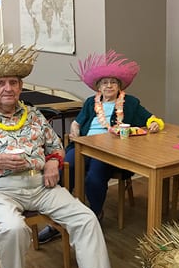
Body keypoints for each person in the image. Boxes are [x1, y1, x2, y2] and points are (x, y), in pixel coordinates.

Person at [0, 44, 112, 268]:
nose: (8, 88)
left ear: (21, 87)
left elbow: (56, 146)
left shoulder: (34, 116)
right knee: (14, 228)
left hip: (40, 187)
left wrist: (52, 163)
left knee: (86, 217)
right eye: (0, 83)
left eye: (13, 82)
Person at [38, 50, 164, 243]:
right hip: (85, 145)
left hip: (111, 151)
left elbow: (151, 119)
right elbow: (77, 123)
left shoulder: (130, 103)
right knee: (66, 168)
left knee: (94, 176)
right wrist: (74, 131)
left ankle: (94, 214)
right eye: (104, 82)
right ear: (98, 86)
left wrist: (155, 123)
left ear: (119, 85)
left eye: (113, 82)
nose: (109, 86)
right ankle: (58, 219)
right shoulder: (91, 102)